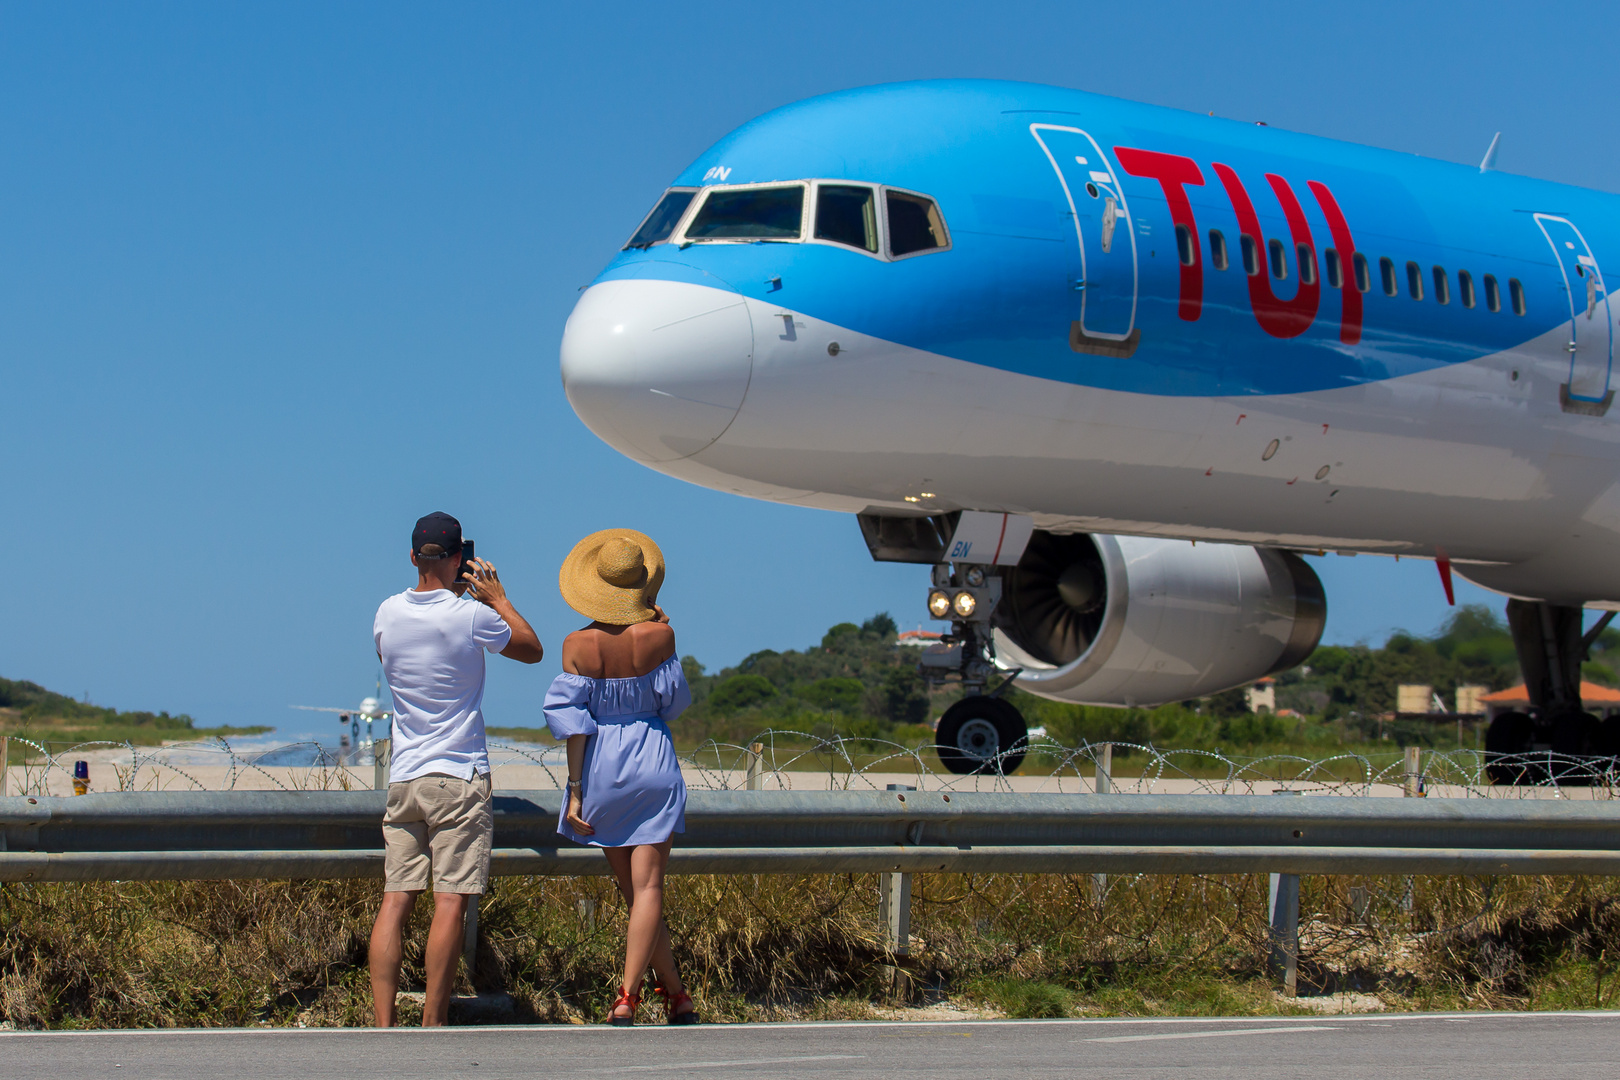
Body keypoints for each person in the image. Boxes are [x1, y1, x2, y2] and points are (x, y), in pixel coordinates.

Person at [368, 511, 543, 1027]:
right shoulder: (470, 616)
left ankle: (382, 1024)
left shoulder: (386, 612)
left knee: (396, 899)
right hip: (458, 772)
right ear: (457, 559)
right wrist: (498, 600)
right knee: (450, 903)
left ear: (412, 555)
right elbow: (532, 650)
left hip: (406, 774)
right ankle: (432, 1022)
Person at [544, 528, 697, 1026]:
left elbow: (572, 726)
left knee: (636, 894)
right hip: (652, 756)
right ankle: (660, 994)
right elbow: (674, 705)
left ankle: (643, 993)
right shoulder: (662, 636)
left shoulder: (575, 645)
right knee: (647, 890)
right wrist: (657, 626)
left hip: (602, 766)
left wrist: (574, 791)